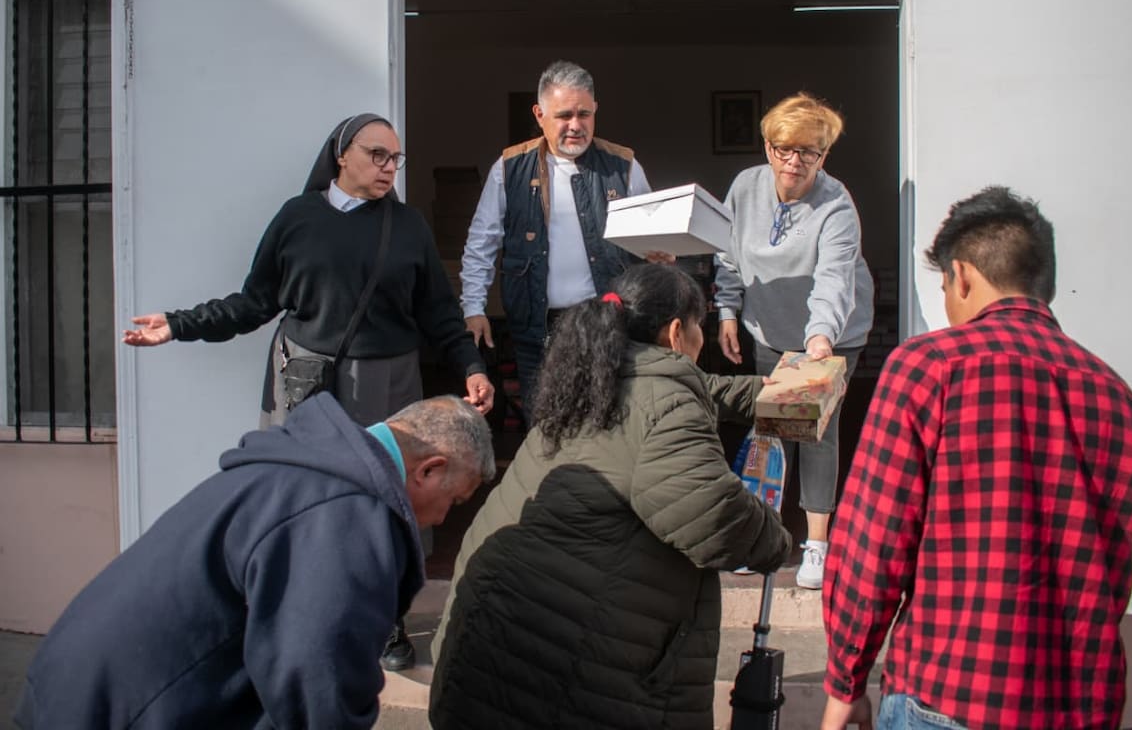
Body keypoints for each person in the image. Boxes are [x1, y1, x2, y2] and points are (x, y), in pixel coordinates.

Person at [122, 113, 493, 669]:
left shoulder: (408, 226)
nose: (388, 168)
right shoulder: (297, 218)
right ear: (341, 156)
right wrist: (178, 324)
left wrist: (471, 365)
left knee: (390, 503)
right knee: (301, 499)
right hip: (304, 379)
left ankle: (385, 623)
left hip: (388, 381)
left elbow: (439, 314)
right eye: (377, 155)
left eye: (396, 159)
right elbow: (253, 303)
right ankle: (301, 617)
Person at [820, 187, 1132, 730]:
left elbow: (873, 543)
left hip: (948, 696)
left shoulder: (929, 368)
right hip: (1080, 706)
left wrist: (845, 681)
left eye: (946, 286)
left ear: (964, 276)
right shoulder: (1118, 399)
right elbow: (1112, 574)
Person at [428, 264, 792, 730]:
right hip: (564, 682)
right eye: (699, 325)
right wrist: (776, 542)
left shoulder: (590, 375)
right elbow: (713, 517)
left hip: (483, 654)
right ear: (678, 332)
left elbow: (696, 390)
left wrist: (768, 393)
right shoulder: (667, 405)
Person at [14, 393, 496, 730]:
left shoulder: (305, 467)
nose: (441, 516)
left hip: (78, 683)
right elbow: (317, 681)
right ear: (428, 469)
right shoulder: (346, 512)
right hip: (120, 709)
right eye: (454, 500)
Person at [713, 91, 874, 590]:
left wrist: (821, 339)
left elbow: (833, 278)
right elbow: (727, 252)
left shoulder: (836, 204)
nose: (794, 161)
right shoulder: (745, 187)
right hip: (769, 327)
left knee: (817, 433)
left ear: (823, 156)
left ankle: (817, 545)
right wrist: (727, 311)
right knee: (770, 430)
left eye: (808, 152)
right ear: (767, 147)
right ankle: (765, 537)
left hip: (834, 332)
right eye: (784, 149)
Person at [459, 60, 657, 418]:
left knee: (605, 423)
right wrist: (473, 308)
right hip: (537, 328)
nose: (575, 126)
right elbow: (481, 243)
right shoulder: (509, 168)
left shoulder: (624, 166)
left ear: (596, 109)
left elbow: (649, 237)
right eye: (564, 115)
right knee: (544, 426)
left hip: (606, 324)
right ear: (539, 114)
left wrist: (662, 252)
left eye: (584, 113)